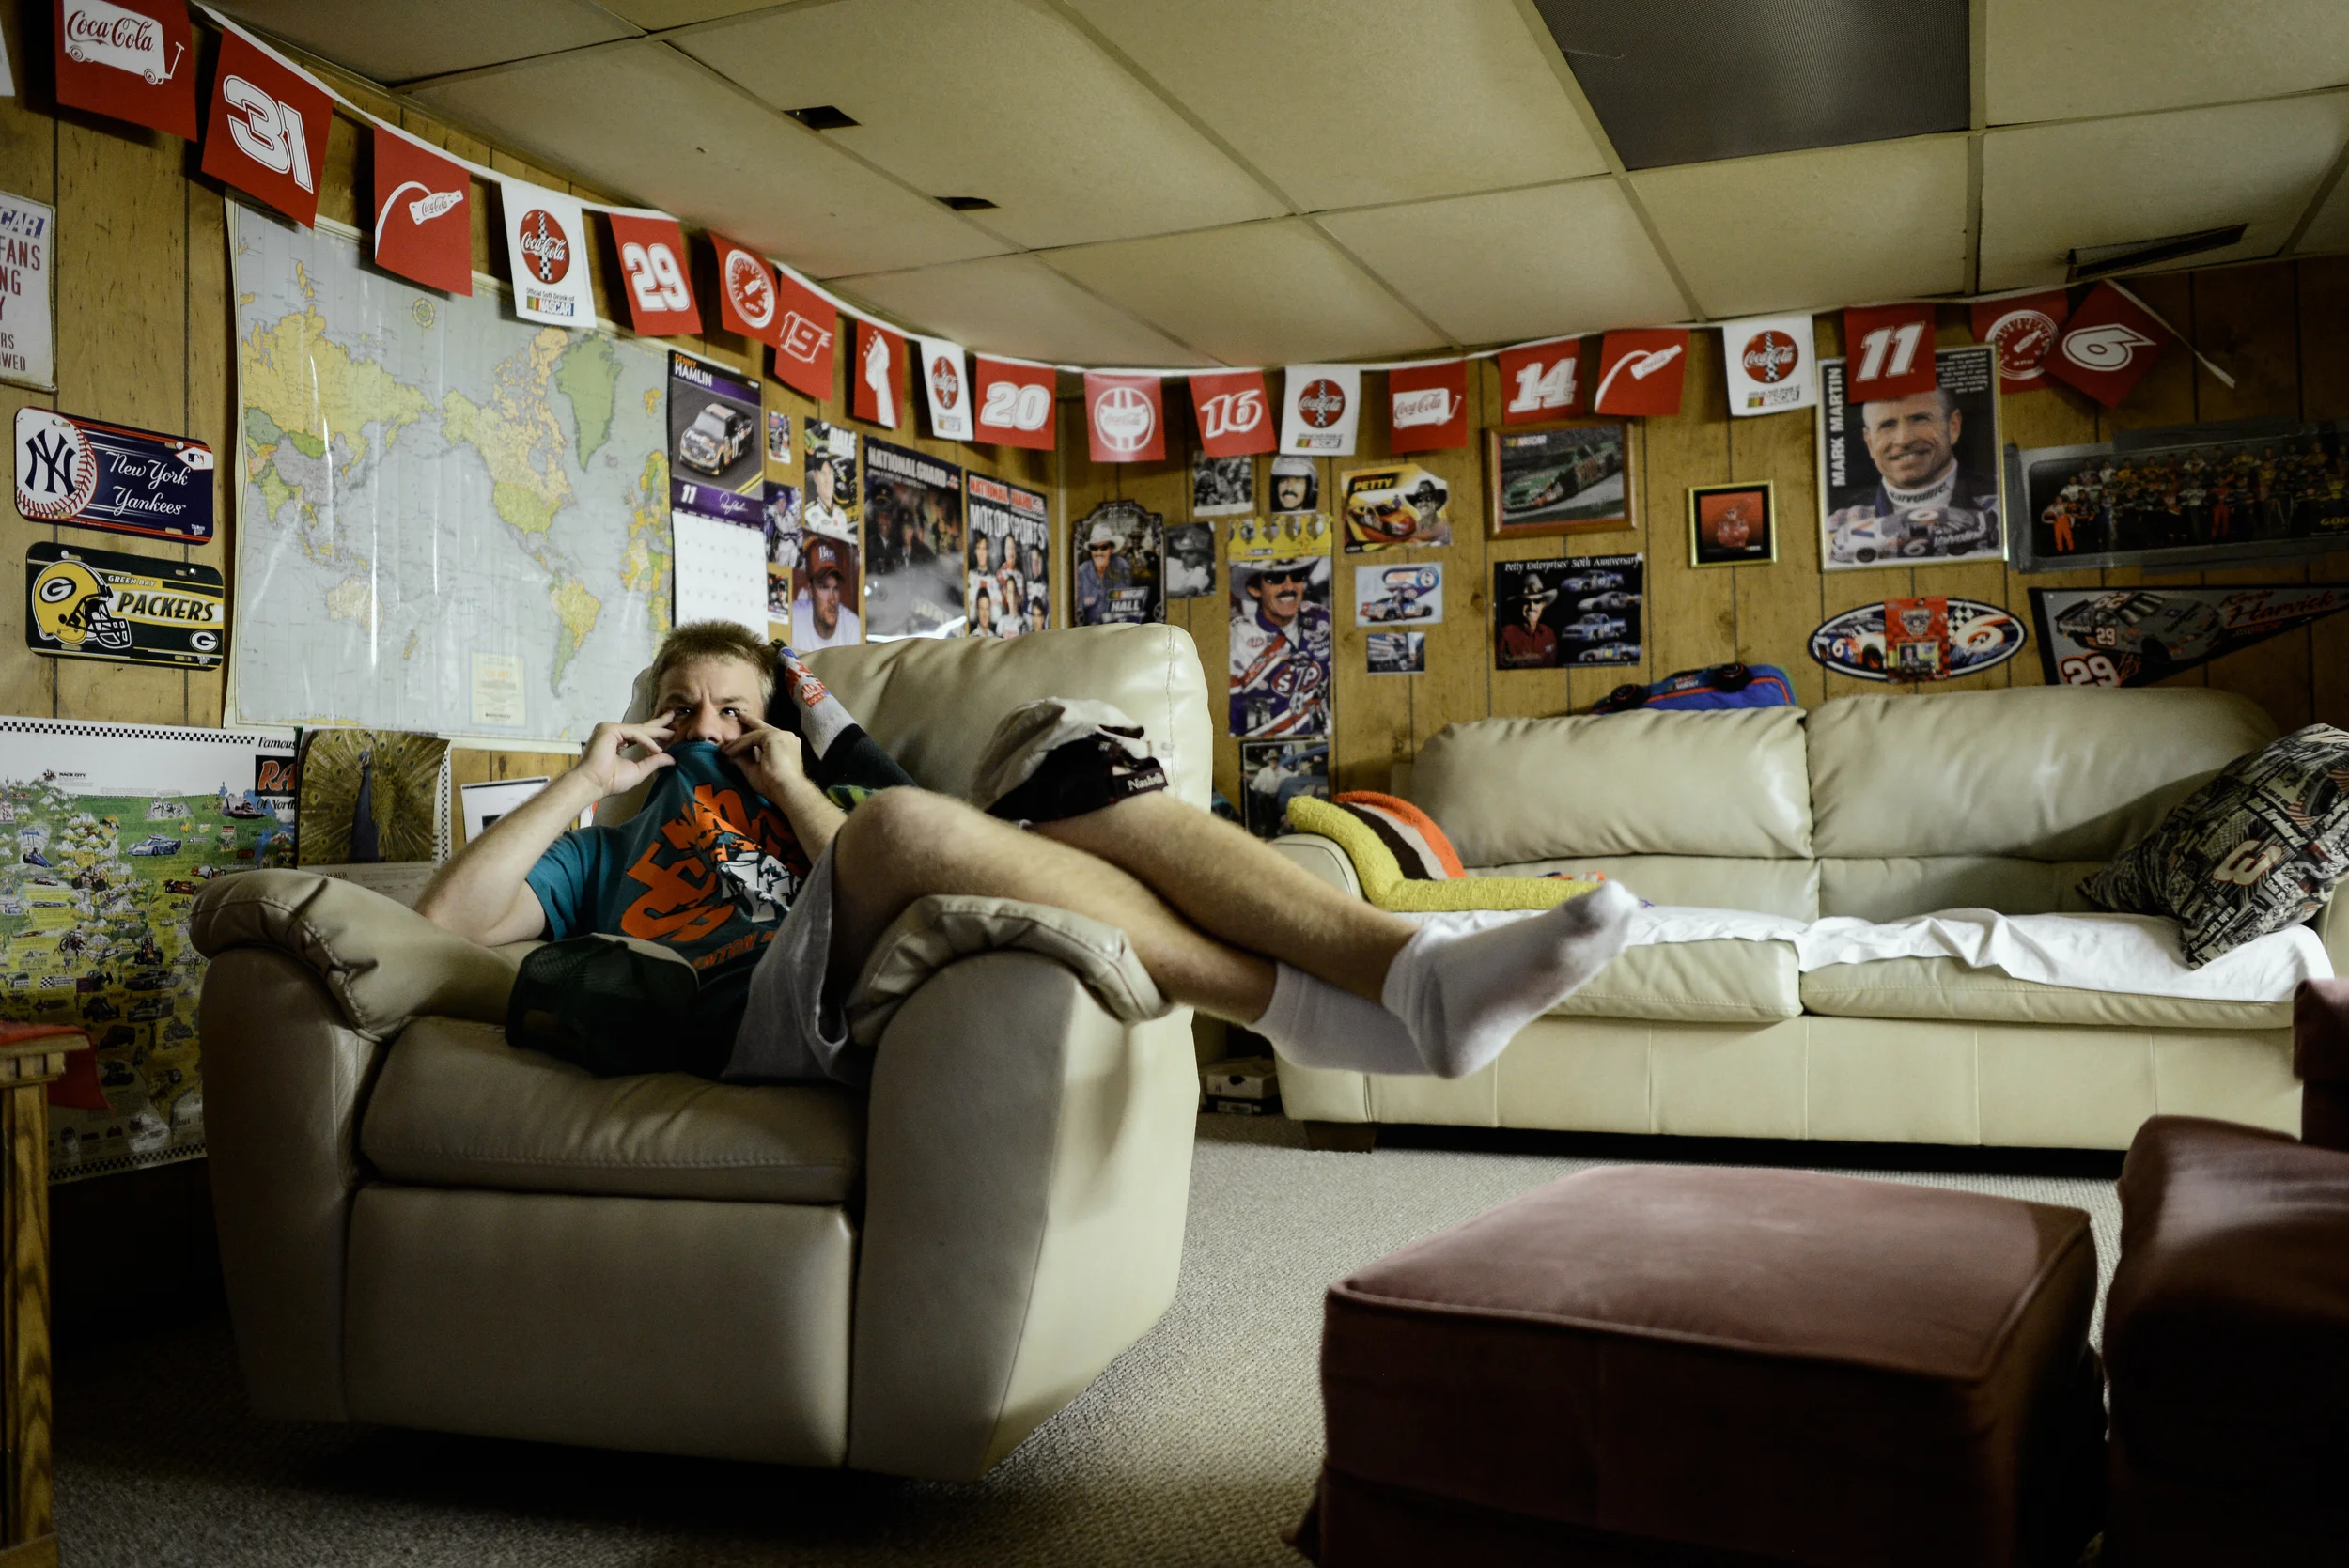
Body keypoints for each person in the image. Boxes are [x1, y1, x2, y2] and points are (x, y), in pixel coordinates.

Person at [415, 620, 1636, 1089]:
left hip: (882, 946)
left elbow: (866, 868)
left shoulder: (808, 784)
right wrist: (585, 781)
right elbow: (447, 928)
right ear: (646, 717)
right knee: (904, 827)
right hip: (759, 1018)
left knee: (1072, 749)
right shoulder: (606, 847)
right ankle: (1355, 996)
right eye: (683, 709)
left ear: (774, 721)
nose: (708, 733)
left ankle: (1397, 970)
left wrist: (791, 785)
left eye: (735, 710)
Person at [1824, 387, 1999, 559]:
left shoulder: (2000, 499)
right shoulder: (1840, 524)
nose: (1904, 439)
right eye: (1887, 425)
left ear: (1953, 427)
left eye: (1920, 419)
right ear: (1869, 442)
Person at [1229, 557, 1331, 737]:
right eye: (1276, 578)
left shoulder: (1323, 619)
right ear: (1255, 589)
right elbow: (1232, 721)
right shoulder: (1236, 638)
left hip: (1322, 743)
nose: (1289, 587)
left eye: (1297, 576)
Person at [791, 536, 861, 649]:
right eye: (824, 588)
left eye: (836, 588)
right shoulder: (794, 618)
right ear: (810, 590)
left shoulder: (852, 626)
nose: (832, 599)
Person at [1076, 520, 1134, 625]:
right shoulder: (1081, 571)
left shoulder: (1122, 567)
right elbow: (1077, 613)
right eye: (1094, 548)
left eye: (1104, 547)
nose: (1099, 552)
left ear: (1111, 548)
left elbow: (1128, 608)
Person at [1498, 573, 1560, 668]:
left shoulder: (1549, 634)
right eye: (1526, 602)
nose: (1531, 606)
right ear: (1518, 604)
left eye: (1537, 601)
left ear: (1543, 605)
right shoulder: (1507, 634)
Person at [803, 448, 851, 539]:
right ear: (815, 476)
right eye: (823, 473)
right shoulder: (808, 515)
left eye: (830, 473)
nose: (828, 479)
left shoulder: (841, 515)